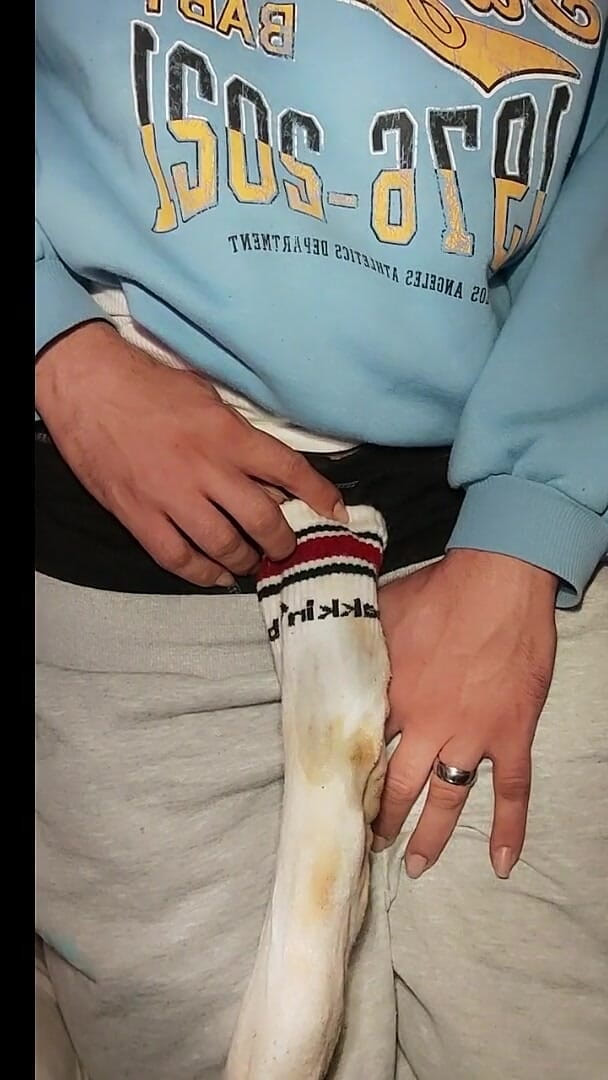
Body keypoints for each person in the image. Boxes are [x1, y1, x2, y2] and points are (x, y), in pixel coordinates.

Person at [35, 2, 607, 1078]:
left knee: (532, 1035)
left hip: (502, 509)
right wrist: (58, 353)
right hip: (121, 500)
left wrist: (526, 534)